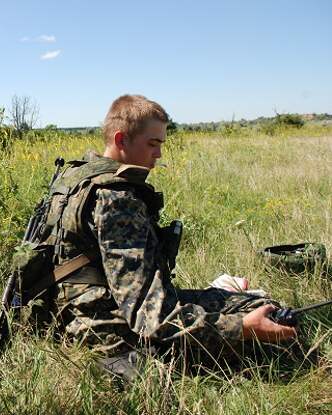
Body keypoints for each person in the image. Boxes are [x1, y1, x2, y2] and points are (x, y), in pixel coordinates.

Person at [46, 95, 297, 376]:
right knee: (264, 313)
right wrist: (242, 328)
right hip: (108, 331)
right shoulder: (116, 200)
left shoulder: (76, 179)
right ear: (121, 140)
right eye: (152, 144)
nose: (159, 154)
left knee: (249, 305)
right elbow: (150, 318)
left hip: (75, 314)